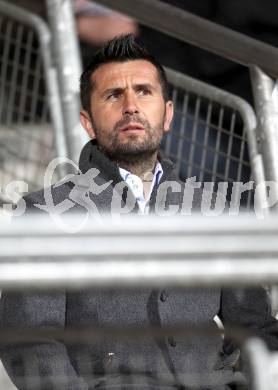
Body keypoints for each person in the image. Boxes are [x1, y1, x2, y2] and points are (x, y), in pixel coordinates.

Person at [1, 35, 278, 390]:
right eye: (113, 95)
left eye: (144, 91)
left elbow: (255, 328)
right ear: (88, 122)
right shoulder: (46, 212)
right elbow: (28, 340)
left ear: (168, 115)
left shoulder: (212, 208)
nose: (131, 106)